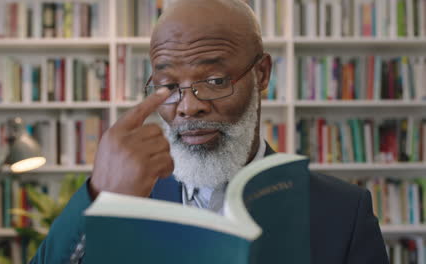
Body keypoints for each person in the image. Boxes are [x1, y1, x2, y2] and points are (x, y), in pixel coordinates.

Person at [31, 0, 389, 263]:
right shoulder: (126, 197)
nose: (188, 107)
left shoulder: (343, 213)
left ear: (261, 74)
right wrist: (99, 196)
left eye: (215, 80)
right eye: (169, 85)